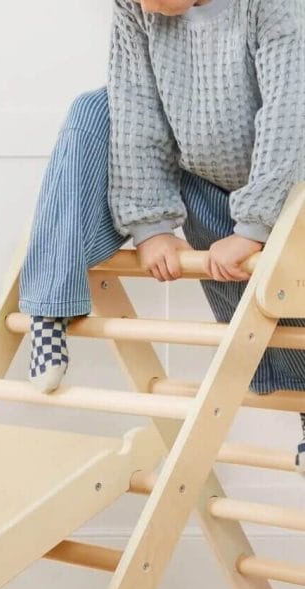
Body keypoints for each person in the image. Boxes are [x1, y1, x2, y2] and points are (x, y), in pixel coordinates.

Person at [20, 0, 305, 458]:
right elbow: (136, 107)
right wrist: (151, 224)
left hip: (286, 175)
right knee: (93, 109)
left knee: (286, 290)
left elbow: (288, 114)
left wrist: (255, 225)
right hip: (201, 176)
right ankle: (50, 306)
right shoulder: (135, 8)